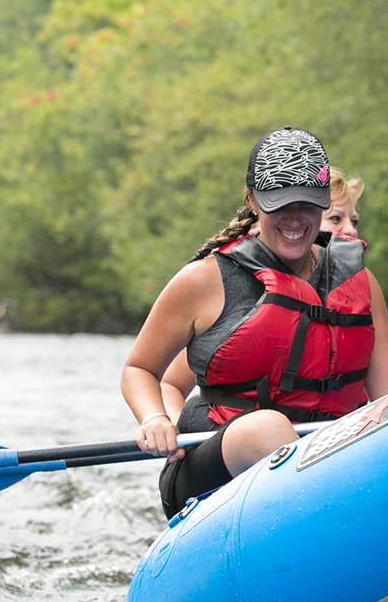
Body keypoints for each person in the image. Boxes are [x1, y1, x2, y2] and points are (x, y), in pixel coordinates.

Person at [121, 128, 388, 516]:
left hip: (331, 464)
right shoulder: (203, 280)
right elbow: (139, 368)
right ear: (253, 201)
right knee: (268, 428)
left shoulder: (360, 283)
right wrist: (156, 418)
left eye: (306, 206)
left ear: (322, 204)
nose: (294, 220)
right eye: (280, 204)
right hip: (217, 470)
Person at [157, 166, 369, 428]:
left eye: (354, 221)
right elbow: (170, 382)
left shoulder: (358, 290)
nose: (350, 230)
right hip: (242, 445)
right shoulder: (233, 286)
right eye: (336, 219)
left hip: (325, 443)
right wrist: (171, 429)